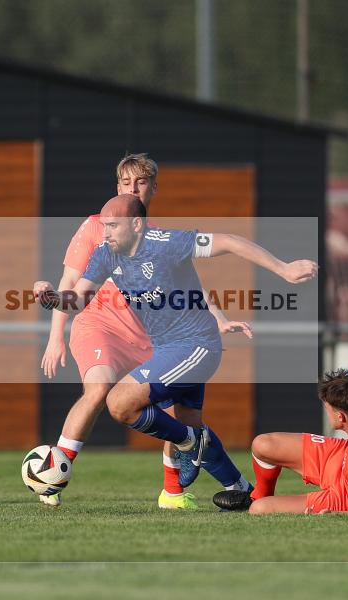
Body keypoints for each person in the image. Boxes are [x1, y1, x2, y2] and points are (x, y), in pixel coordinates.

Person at [34, 194, 318, 494]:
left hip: (196, 346)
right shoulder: (106, 253)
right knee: (189, 421)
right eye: (104, 226)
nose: (105, 233)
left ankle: (188, 442)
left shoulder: (166, 242)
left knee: (119, 404)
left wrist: (284, 269)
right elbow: (78, 300)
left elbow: (232, 241)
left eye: (113, 226)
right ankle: (242, 490)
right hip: (168, 348)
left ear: (137, 224)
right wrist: (52, 298)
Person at [40, 154, 252, 509]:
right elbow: (70, 284)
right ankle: (55, 475)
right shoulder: (98, 226)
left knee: (181, 420)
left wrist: (217, 317)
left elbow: (187, 285)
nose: (133, 188)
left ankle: (181, 492)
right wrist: (55, 336)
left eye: (140, 182)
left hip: (151, 334)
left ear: (153, 188)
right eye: (126, 183)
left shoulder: (152, 234)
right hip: (100, 325)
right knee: (100, 390)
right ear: (116, 188)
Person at [213, 368, 348, 514]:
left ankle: (255, 503)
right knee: (263, 444)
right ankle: (257, 495)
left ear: (341, 418)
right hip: (345, 454)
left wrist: (335, 513)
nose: (325, 411)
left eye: (328, 408)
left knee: (259, 510)